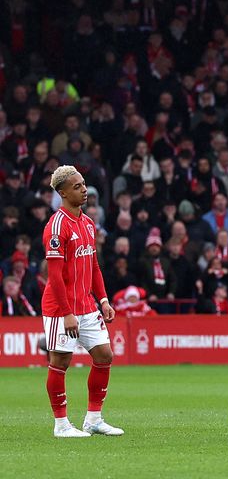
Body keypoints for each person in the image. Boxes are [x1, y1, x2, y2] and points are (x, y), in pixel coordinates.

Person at [41, 166, 122, 437]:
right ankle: (61, 424)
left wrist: (103, 300)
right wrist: (66, 313)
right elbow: (53, 277)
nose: (84, 189)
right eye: (77, 186)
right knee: (60, 362)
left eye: (84, 184)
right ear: (62, 193)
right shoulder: (56, 227)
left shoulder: (88, 223)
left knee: (104, 355)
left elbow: (94, 266)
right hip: (60, 309)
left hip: (87, 306)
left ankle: (94, 419)